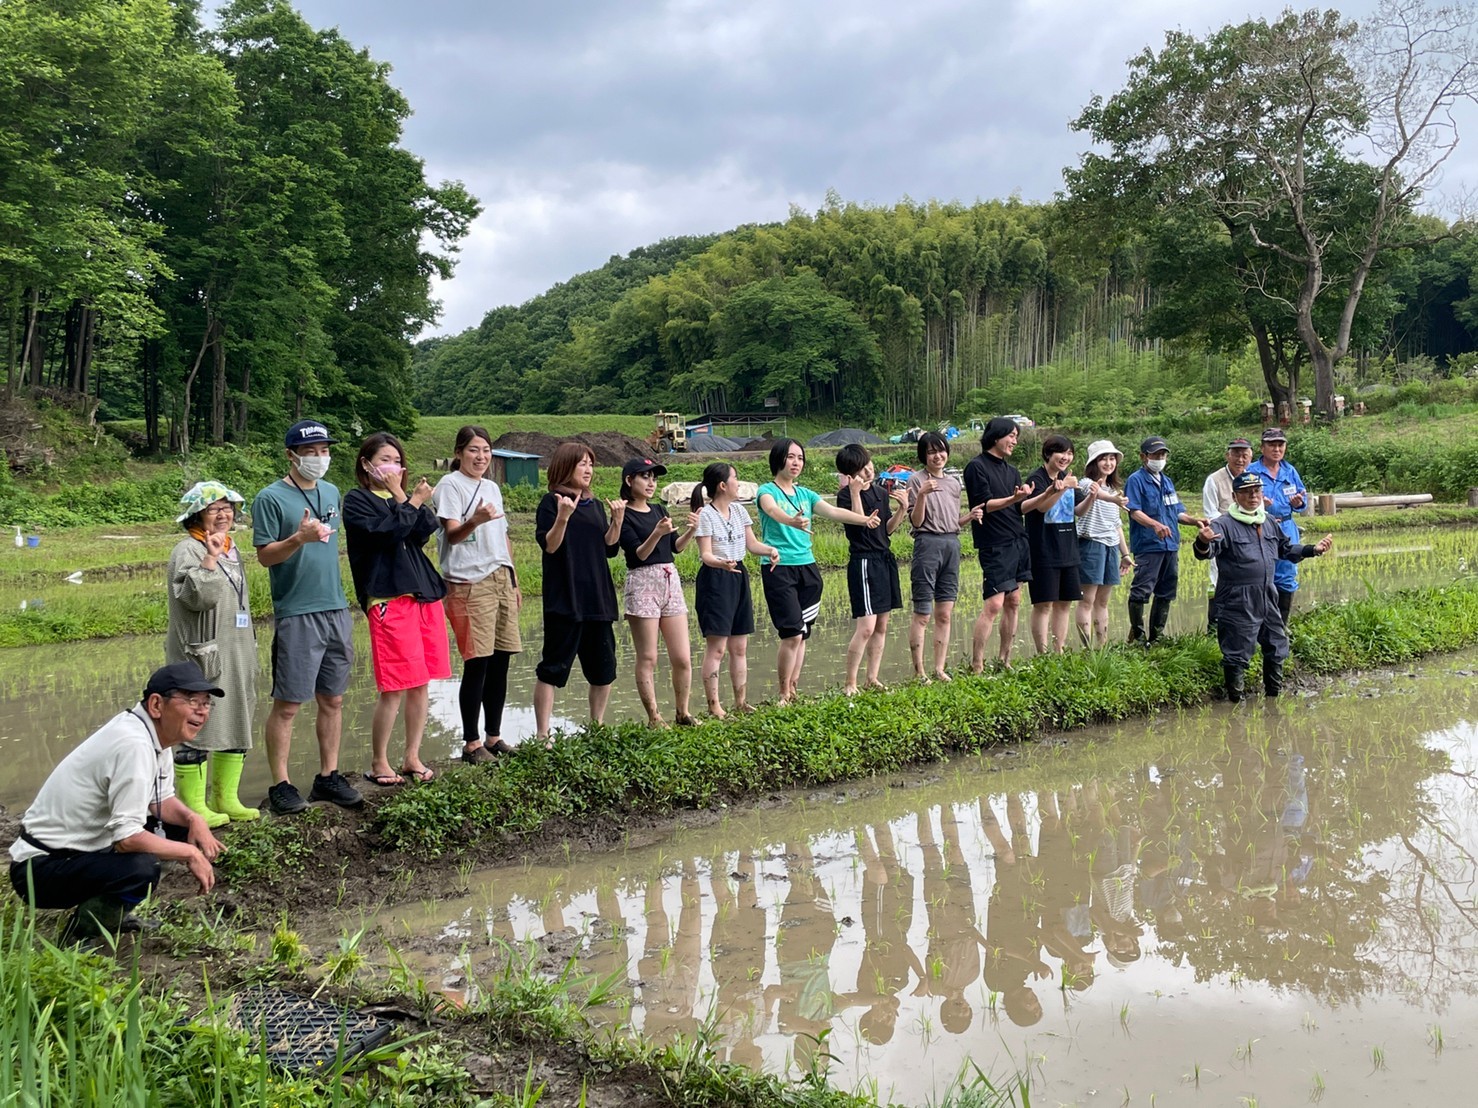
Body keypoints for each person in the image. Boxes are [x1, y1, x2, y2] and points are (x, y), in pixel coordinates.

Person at [9, 662, 224, 944]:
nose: (202, 711)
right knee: (141, 868)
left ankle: (111, 913)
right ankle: (80, 935)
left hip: (78, 852)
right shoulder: (133, 744)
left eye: (206, 703)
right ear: (157, 705)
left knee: (181, 828)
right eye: (192, 701)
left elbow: (161, 801)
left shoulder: (153, 736)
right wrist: (190, 854)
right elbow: (127, 838)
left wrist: (195, 820)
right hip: (39, 869)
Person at [252, 419, 363, 815]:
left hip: (335, 606)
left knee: (333, 698)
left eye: (324, 450)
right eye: (310, 451)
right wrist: (298, 538)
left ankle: (328, 776)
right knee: (288, 703)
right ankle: (281, 784)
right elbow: (265, 556)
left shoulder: (332, 491)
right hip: (297, 611)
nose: (319, 458)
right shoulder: (270, 497)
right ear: (291, 455)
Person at [343, 432, 450, 787]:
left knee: (421, 683)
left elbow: (423, 530)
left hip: (422, 595)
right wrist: (412, 500)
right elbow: (388, 533)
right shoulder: (357, 501)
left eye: (396, 461)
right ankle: (379, 761)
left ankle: (412, 757)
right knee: (395, 686)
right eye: (384, 459)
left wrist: (407, 497)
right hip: (388, 597)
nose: (392, 467)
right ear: (366, 464)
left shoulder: (400, 499)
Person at [755, 438, 880, 704]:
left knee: (802, 634)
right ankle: (783, 692)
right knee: (791, 633)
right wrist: (792, 521)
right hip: (779, 568)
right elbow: (771, 509)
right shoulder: (767, 490)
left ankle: (793, 689)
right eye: (791, 457)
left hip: (808, 568)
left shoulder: (806, 494)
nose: (796, 462)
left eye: (800, 458)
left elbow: (835, 512)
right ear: (779, 459)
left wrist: (865, 520)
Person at [164, 481, 259, 826]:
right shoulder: (188, 549)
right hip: (201, 654)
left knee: (236, 716)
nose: (223, 515)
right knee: (195, 722)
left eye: (227, 508)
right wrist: (210, 557)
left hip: (236, 650)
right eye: (213, 509)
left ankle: (226, 798)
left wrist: (220, 552)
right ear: (196, 516)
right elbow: (197, 599)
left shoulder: (233, 549)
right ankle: (193, 808)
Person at [1193, 472, 1332, 701]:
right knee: (1237, 652)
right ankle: (1235, 702)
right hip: (1237, 598)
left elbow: (1285, 549)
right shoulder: (1223, 524)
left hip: (1268, 594)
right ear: (1235, 496)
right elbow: (1205, 553)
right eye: (1246, 492)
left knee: (1277, 644)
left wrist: (1312, 550)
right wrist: (1203, 541)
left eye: (1256, 491)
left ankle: (1273, 698)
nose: (1253, 496)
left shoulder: (1266, 521)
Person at [434, 425, 522, 764]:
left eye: (485, 450)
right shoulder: (450, 485)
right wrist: (476, 519)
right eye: (473, 450)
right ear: (459, 453)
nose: (481, 456)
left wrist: (513, 581)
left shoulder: (492, 488)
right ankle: (471, 742)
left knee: (501, 660)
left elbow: (504, 537)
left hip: (501, 576)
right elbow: (453, 534)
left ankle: (494, 736)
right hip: (469, 581)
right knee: (477, 663)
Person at [534, 442, 621, 744]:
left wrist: (617, 521)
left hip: (597, 598)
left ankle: (595, 727)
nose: (588, 469)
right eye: (582, 463)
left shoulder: (594, 505)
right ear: (565, 466)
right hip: (565, 599)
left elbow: (609, 549)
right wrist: (562, 516)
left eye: (591, 464)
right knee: (552, 668)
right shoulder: (551, 502)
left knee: (604, 668)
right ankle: (543, 734)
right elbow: (551, 546)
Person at [691, 463, 779, 717]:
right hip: (715, 578)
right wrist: (722, 563)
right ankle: (714, 705)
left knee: (739, 646)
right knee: (717, 647)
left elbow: (752, 544)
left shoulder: (740, 511)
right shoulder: (705, 515)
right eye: (735, 479)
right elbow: (706, 554)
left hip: (738, 574)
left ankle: (741, 701)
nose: (738, 483)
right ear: (722, 485)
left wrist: (771, 550)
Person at [619, 457, 699, 727]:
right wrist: (655, 533)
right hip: (642, 581)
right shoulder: (623, 514)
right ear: (629, 481)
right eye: (645, 476)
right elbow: (638, 554)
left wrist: (691, 530)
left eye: (654, 477)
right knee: (649, 656)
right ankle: (654, 716)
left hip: (669, 579)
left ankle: (682, 712)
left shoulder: (659, 509)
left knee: (682, 656)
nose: (651, 482)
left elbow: (675, 547)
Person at [903, 433, 979, 682]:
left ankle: (939, 668)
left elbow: (951, 521)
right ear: (924, 456)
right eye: (931, 452)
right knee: (923, 613)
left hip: (951, 544)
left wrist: (968, 518)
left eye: (941, 450)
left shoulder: (954, 483)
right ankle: (919, 671)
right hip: (927, 544)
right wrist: (922, 494)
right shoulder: (916, 480)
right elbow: (916, 521)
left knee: (945, 612)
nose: (938, 456)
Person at [964, 418, 1035, 671]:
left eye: (1017, 436)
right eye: (1012, 435)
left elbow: (1020, 507)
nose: (1015, 441)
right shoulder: (976, 467)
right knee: (994, 604)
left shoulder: (1012, 470)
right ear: (996, 436)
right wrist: (1013, 498)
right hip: (994, 543)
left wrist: (1037, 496)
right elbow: (984, 504)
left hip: (1018, 539)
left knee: (1014, 601)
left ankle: (1005, 659)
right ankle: (977, 664)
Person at [837, 443, 908, 693]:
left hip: (883, 559)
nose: (868, 470)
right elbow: (858, 524)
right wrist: (855, 493)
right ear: (850, 473)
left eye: (868, 463)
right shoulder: (845, 495)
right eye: (860, 467)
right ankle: (850, 683)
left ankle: (872, 677)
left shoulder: (879, 492)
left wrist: (903, 509)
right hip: (863, 560)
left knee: (882, 625)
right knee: (866, 627)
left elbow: (887, 529)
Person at [1124, 435, 1202, 644]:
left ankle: (1157, 637)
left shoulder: (1167, 482)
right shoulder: (1136, 480)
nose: (1160, 458)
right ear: (1143, 457)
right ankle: (1138, 637)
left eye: (1163, 455)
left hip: (1170, 544)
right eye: (1155, 455)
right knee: (1141, 590)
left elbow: (1177, 512)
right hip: (1149, 544)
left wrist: (1194, 520)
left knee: (1167, 589)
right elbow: (1134, 511)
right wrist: (1154, 524)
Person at [1023, 434, 1084, 654]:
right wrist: (1062, 488)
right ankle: (1043, 653)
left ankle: (1059, 649)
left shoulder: (1067, 477)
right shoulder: (1037, 479)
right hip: (1043, 551)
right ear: (1049, 454)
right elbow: (1042, 508)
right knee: (1044, 604)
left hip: (1068, 549)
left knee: (1065, 602)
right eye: (1061, 452)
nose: (1066, 457)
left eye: (1069, 453)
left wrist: (1092, 497)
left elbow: (1078, 511)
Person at [1246, 427, 1313, 625]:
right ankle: (1259, 626)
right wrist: (1259, 505)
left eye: (1280, 444)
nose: (1276, 449)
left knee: (1287, 575)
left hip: (1286, 528)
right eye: (1271, 445)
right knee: (1261, 576)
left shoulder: (1289, 471)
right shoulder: (1252, 471)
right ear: (1262, 447)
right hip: (1260, 528)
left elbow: (1303, 499)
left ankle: (1281, 627)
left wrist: (1298, 503)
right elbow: (1239, 501)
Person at [1074, 440, 1133, 647]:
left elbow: (1116, 525)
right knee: (1087, 600)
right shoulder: (1086, 483)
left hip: (1110, 547)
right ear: (1094, 462)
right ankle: (1087, 648)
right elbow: (1097, 494)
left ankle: (1102, 646)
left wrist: (1125, 554)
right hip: (1091, 545)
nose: (1108, 463)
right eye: (1103, 459)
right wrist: (1114, 499)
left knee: (1103, 601)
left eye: (1111, 458)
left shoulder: (1112, 489)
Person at [1200, 438, 1255, 631]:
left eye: (1245, 455)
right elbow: (1211, 513)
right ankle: (1214, 628)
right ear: (1227, 456)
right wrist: (1235, 524)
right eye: (1236, 454)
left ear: (1251, 457)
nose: (1240, 459)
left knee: (1246, 580)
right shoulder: (1214, 480)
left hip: (1248, 541)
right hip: (1222, 539)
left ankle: (1241, 626)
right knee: (1218, 580)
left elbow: (1258, 510)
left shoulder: (1252, 479)